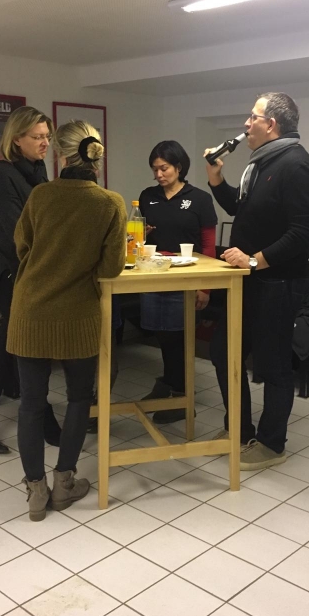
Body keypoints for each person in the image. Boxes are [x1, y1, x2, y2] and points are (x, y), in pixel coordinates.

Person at [7, 120, 126, 520]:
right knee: (78, 398)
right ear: (97, 154)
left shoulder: (40, 195)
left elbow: (22, 245)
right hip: (78, 314)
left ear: (60, 153)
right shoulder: (110, 203)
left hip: (30, 311)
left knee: (31, 403)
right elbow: (110, 268)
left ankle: (35, 492)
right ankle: (64, 483)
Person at [205, 92, 309, 470]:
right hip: (249, 280)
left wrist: (254, 260)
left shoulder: (297, 165)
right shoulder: (260, 163)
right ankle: (238, 431)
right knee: (224, 353)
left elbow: (302, 233)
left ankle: (272, 444)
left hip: (279, 283)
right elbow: (242, 210)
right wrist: (216, 179)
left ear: (271, 124)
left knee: (273, 366)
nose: (246, 123)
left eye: (252, 117)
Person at [0, 107, 61, 454]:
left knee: (17, 349)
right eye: (37, 137)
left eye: (47, 137)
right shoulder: (2, 175)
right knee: (13, 349)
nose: (45, 143)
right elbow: (15, 234)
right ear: (17, 139)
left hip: (34, 271)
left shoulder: (38, 171)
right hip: (13, 273)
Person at [139, 140, 217, 423]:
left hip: (187, 278)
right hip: (155, 276)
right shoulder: (148, 196)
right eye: (155, 169)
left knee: (180, 338)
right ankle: (168, 386)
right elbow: (138, 235)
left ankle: (182, 397)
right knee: (161, 334)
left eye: (164, 168)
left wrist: (204, 286)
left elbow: (209, 245)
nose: (159, 174)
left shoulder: (199, 199)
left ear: (179, 167)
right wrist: (142, 234)